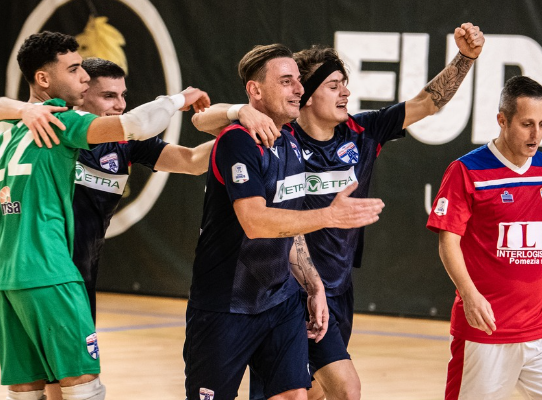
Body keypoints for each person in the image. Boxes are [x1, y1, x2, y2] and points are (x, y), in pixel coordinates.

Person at [192, 22, 484, 400]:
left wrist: (465, 58)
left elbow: (428, 103)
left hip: (336, 288)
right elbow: (203, 120)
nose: (346, 92)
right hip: (285, 288)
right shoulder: (280, 135)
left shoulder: (362, 133)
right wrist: (240, 111)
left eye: (345, 84)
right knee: (343, 388)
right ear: (307, 96)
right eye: (333, 85)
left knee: (312, 392)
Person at [0, 31, 209, 400]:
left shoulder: (5, 129)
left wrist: (244, 135)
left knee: (29, 386)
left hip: (12, 275)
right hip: (52, 271)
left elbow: (189, 160)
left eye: (123, 96)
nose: (119, 104)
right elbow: (137, 122)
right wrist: (179, 99)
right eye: (75, 71)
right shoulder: (62, 122)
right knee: (80, 383)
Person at [184, 43, 385, 400]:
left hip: (280, 301)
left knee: (298, 395)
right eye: (287, 81)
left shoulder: (290, 140)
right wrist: (329, 215)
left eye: (298, 81)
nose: (298, 89)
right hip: (226, 305)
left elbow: (289, 229)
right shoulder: (237, 140)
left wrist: (313, 285)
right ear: (256, 90)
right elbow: (255, 222)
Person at [427, 75, 542, 399]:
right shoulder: (467, 170)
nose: (536, 135)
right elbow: (448, 240)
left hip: (537, 331)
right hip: (486, 332)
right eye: (527, 124)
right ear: (502, 121)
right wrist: (469, 294)